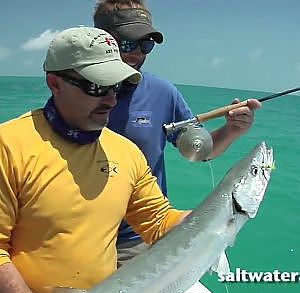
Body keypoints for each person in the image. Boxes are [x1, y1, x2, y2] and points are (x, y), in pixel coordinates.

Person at [0, 26, 191, 293]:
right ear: (55, 83)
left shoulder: (126, 152)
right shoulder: (8, 145)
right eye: (96, 86)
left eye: (118, 86)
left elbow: (158, 222)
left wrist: (220, 214)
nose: (111, 99)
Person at [93, 0, 262, 263]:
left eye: (145, 44)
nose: (137, 53)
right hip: (80, 236)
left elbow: (199, 149)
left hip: (139, 239)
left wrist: (231, 130)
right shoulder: (75, 93)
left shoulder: (162, 92)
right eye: (127, 43)